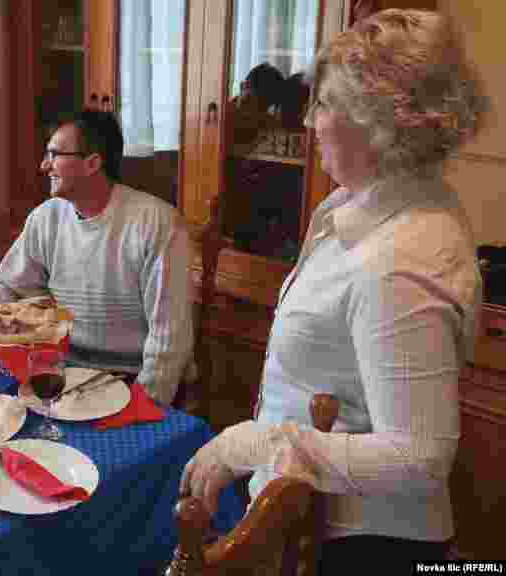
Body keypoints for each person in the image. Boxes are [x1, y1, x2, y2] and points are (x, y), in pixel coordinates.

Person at [180, 10, 483, 571]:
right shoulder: (364, 203)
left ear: (378, 124)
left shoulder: (396, 259)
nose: (307, 120)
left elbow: (419, 458)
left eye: (322, 104)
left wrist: (253, 443)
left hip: (360, 545)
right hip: (308, 521)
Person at [0, 109, 193, 405]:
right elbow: (10, 288)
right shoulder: (46, 217)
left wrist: (144, 405)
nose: (43, 165)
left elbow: (168, 338)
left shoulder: (156, 223)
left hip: (131, 381)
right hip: (65, 375)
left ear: (92, 163)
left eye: (54, 154)